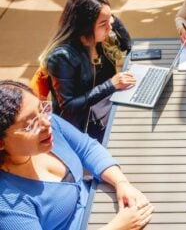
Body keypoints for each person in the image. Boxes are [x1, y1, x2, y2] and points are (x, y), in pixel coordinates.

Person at [0, 80, 154, 229]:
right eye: (31, 124)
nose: (46, 123)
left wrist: (121, 183)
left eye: (42, 109)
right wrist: (117, 227)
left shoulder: (48, 126)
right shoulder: (6, 205)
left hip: (105, 204)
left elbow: (87, 148)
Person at [38, 0, 136, 142]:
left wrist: (111, 18)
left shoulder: (98, 39)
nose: (109, 28)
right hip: (83, 125)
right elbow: (69, 106)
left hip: (107, 104)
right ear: (85, 27)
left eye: (109, 21)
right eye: (103, 24)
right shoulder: (62, 57)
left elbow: (127, 45)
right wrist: (111, 85)